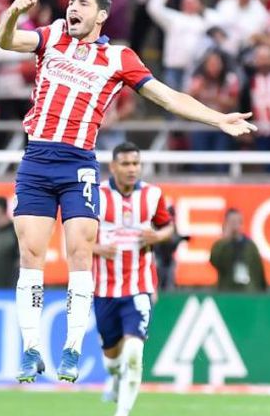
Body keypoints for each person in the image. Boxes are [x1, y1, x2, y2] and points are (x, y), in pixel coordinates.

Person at [0, 0, 257, 383]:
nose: (73, 8)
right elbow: (6, 41)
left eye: (83, 3)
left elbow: (168, 97)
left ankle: (72, 349)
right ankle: (31, 349)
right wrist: (13, 13)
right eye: (71, 2)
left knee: (80, 252)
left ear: (101, 15)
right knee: (31, 253)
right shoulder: (52, 36)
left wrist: (218, 118)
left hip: (78, 163)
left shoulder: (119, 57)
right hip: (36, 159)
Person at [92, 142, 173, 416]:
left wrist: (157, 236)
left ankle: (122, 412)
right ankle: (114, 377)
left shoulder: (152, 195)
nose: (132, 169)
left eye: (136, 163)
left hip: (139, 286)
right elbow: (74, 238)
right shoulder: (96, 195)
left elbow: (168, 227)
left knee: (135, 354)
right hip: (104, 289)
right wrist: (97, 248)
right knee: (112, 357)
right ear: (113, 166)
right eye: (126, 164)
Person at [209, 208, 267, 292]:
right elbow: (214, 260)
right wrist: (225, 239)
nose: (235, 225)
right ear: (226, 223)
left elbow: (259, 271)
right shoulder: (222, 245)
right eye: (232, 222)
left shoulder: (250, 246)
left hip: (248, 291)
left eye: (238, 222)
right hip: (228, 291)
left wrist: (260, 291)